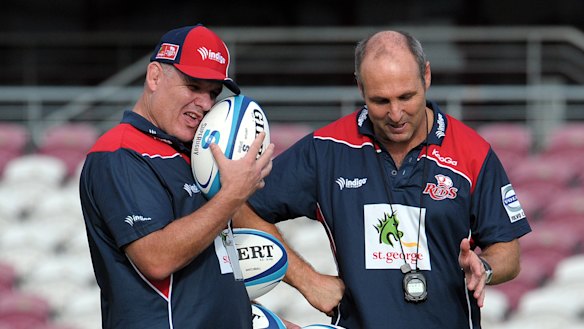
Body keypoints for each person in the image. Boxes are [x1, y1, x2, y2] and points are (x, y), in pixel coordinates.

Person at [234, 30, 532, 328]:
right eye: (380, 100)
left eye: (406, 97)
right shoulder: (326, 149)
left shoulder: (473, 153)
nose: (396, 113)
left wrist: (486, 268)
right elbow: (240, 206)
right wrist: (307, 280)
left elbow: (508, 251)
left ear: (426, 76)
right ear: (360, 87)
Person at [79, 24, 275, 329]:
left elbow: (210, 278)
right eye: (194, 86)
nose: (206, 104)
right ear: (155, 76)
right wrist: (232, 195)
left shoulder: (195, 156)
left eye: (213, 92)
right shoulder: (119, 152)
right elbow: (156, 258)